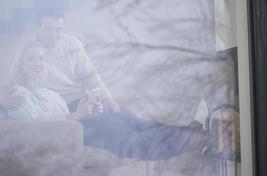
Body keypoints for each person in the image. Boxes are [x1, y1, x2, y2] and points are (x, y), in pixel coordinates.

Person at [0, 8, 207, 160]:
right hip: (70, 111)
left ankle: (193, 131)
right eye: (48, 29)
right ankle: (194, 139)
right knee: (128, 139)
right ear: (38, 27)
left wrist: (106, 99)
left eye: (58, 29)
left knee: (137, 122)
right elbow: (12, 84)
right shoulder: (29, 51)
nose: (54, 36)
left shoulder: (70, 43)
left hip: (87, 100)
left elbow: (89, 74)